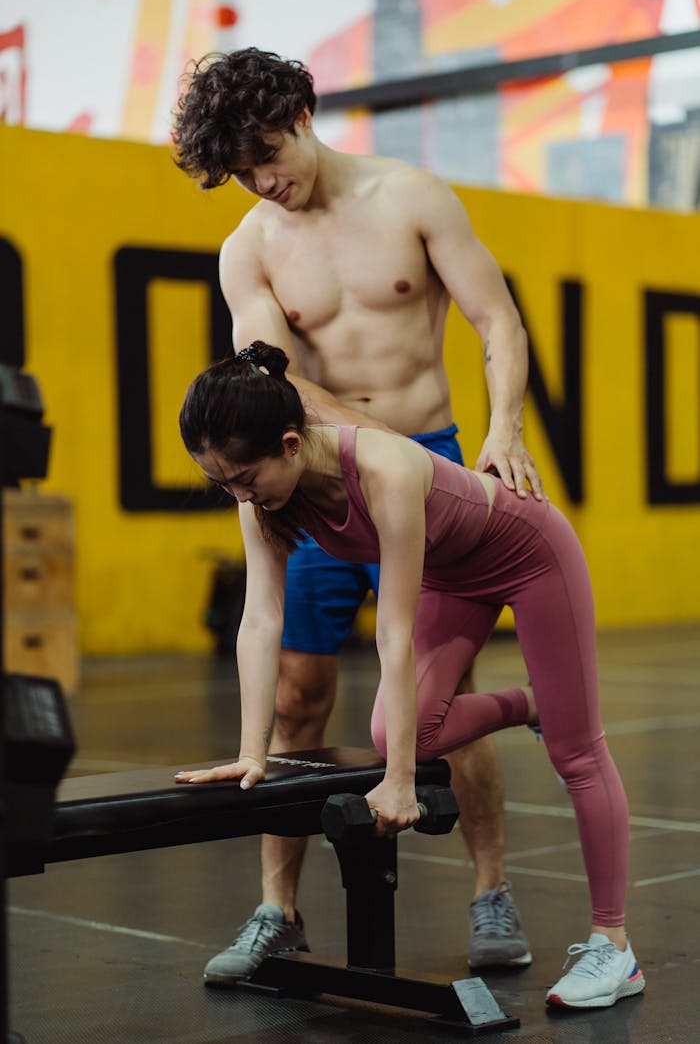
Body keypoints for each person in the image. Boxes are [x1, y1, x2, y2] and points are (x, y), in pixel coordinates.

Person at [171, 46, 545, 981]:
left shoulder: (412, 198)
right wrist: (367, 447)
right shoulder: (249, 248)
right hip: (323, 479)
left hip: (442, 465)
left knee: (433, 698)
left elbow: (497, 320)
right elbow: (273, 384)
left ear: (302, 110)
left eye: (266, 151)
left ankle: (490, 890)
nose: (263, 180)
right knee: (298, 693)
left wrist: (505, 430)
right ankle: (277, 909)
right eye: (241, 172)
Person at [175, 343, 645, 1011]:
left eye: (243, 479)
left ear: (288, 443)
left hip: (528, 555)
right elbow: (259, 621)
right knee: (403, 729)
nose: (238, 495)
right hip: (455, 576)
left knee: (577, 751)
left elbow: (390, 634)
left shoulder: (385, 467)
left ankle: (614, 947)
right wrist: (253, 752)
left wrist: (398, 784)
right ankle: (530, 705)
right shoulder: (263, 496)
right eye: (222, 484)